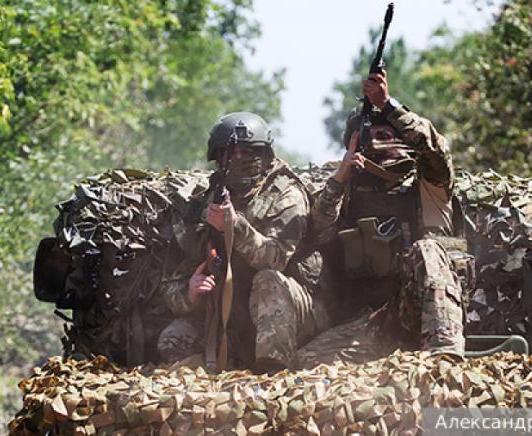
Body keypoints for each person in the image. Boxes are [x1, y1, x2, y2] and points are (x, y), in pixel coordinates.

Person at [311, 70, 472, 359]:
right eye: (374, 133)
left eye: (390, 132)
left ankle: (444, 360)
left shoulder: (429, 183)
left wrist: (387, 105)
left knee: (428, 249)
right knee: (304, 363)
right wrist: (341, 178)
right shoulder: (346, 190)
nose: (383, 138)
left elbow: (434, 148)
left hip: (423, 315)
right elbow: (320, 233)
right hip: (373, 324)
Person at [156, 112, 331, 371]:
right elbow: (172, 280)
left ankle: (275, 375)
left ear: (265, 155)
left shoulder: (286, 194)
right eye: (231, 153)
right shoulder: (205, 203)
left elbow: (276, 260)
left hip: (292, 311)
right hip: (234, 317)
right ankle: (216, 387)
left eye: (249, 152)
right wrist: (190, 293)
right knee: (173, 340)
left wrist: (234, 226)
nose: (239, 160)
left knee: (268, 281)